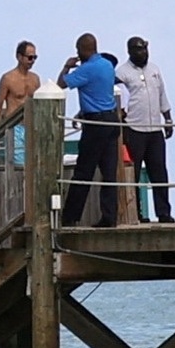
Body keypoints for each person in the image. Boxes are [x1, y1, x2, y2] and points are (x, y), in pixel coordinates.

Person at [58, 34, 121, 226]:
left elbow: (60, 84)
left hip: (95, 123)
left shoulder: (86, 70)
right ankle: (109, 217)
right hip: (112, 119)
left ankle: (70, 218)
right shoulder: (107, 65)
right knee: (109, 173)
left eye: (78, 51)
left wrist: (67, 66)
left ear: (83, 50)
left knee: (83, 171)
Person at [115, 36, 174, 222]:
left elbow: (162, 93)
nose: (144, 53)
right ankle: (137, 213)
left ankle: (164, 212)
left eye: (145, 49)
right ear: (130, 51)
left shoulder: (155, 69)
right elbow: (120, 101)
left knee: (159, 172)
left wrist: (168, 117)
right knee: (134, 173)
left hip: (155, 129)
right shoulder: (121, 73)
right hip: (134, 128)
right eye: (139, 49)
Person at [0, 41, 38, 164]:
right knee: (18, 166)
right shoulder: (8, 78)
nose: (32, 60)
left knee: (33, 165)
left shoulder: (35, 79)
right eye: (29, 57)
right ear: (19, 57)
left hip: (31, 127)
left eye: (34, 57)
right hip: (14, 127)